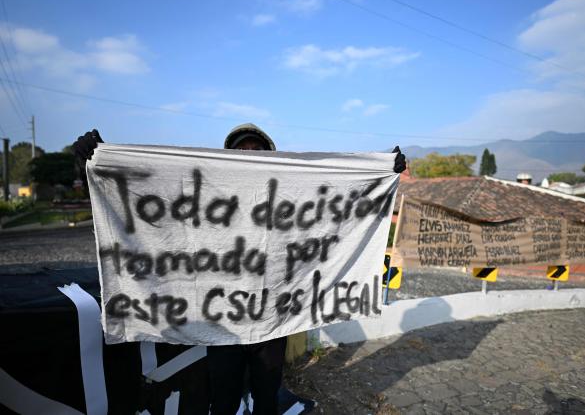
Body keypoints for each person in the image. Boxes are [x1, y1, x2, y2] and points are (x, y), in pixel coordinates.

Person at [73, 124, 406, 414]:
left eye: (256, 150)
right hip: (224, 324)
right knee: (223, 402)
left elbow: (336, 204)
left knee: (266, 400)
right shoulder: (207, 198)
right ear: (229, 157)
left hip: (273, 321)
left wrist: (382, 171)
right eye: (242, 150)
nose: (250, 154)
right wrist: (98, 162)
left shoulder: (289, 194)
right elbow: (149, 194)